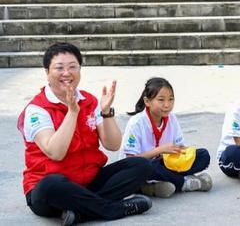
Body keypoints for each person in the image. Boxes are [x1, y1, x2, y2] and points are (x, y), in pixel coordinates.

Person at [17, 42, 153, 225]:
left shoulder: (89, 101)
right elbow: (55, 153)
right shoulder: (37, 109)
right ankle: (112, 209)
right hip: (51, 189)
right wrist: (72, 112)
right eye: (59, 68)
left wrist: (106, 112)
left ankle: (81, 212)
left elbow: (113, 145)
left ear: (80, 69)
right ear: (47, 72)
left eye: (72, 67)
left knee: (141, 165)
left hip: (89, 181)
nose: (67, 73)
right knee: (50, 186)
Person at [121, 77, 213, 198]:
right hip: (142, 167)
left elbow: (180, 146)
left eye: (171, 99)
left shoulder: (172, 118)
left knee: (203, 155)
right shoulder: (136, 123)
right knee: (149, 167)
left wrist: (184, 152)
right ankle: (184, 183)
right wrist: (160, 150)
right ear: (147, 101)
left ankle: (159, 184)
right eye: (161, 100)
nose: (167, 105)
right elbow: (130, 160)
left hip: (164, 163)